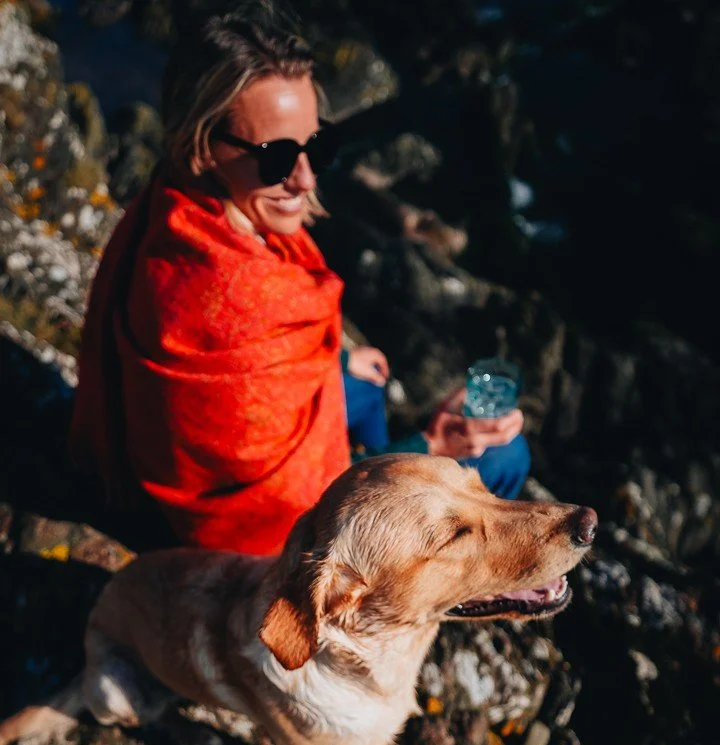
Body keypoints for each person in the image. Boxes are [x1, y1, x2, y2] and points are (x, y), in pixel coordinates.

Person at [69, 2, 529, 557]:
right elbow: (304, 513)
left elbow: (256, 388)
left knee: (365, 380)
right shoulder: (220, 304)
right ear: (202, 144)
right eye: (277, 157)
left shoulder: (181, 209)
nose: (306, 176)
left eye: (317, 144)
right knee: (505, 458)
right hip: (226, 541)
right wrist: (430, 444)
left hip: (174, 469)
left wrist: (332, 361)